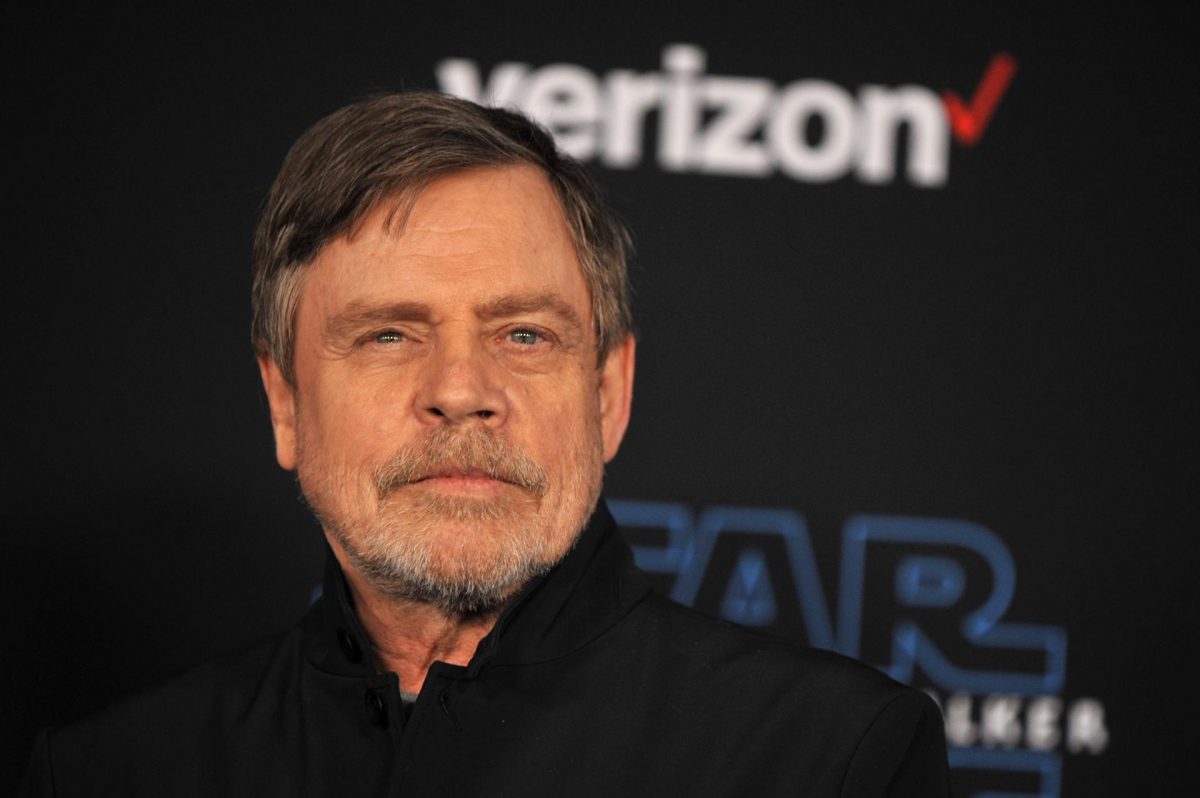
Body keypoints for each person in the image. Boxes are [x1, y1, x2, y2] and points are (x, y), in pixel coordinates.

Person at [21, 91, 949, 797]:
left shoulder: (831, 760)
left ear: (609, 393)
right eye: (389, 334)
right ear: (286, 403)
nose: (461, 391)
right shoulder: (111, 773)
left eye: (524, 334)